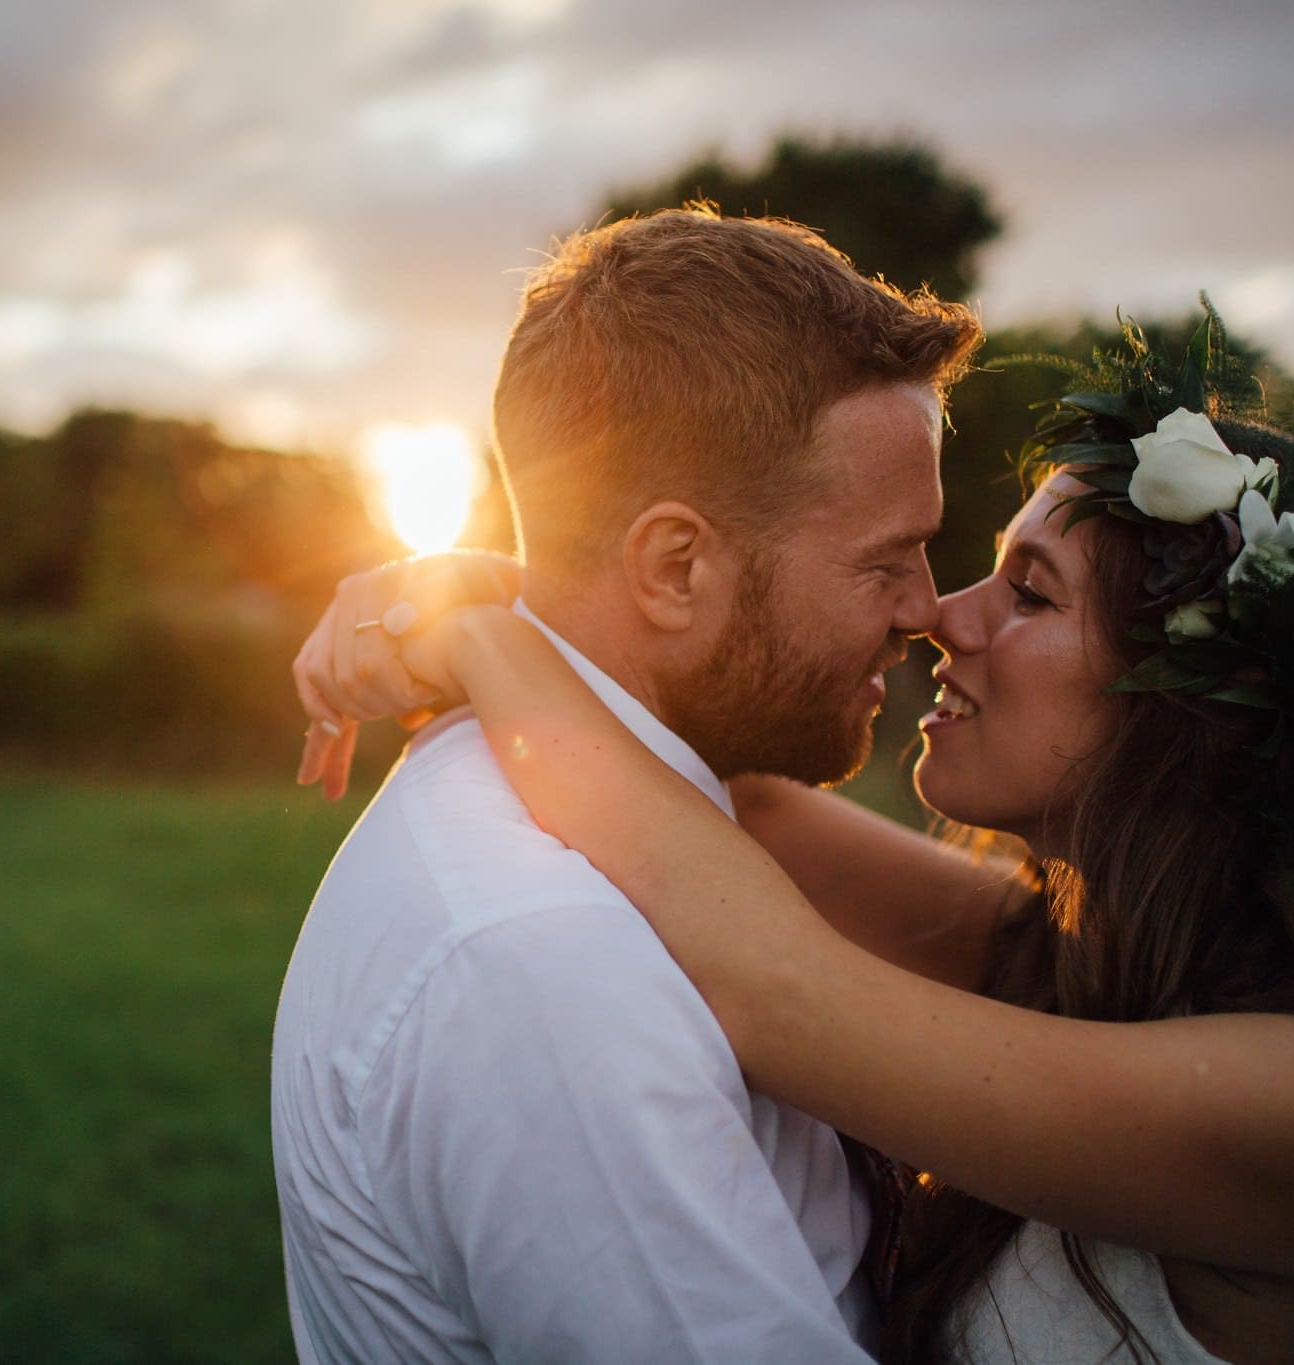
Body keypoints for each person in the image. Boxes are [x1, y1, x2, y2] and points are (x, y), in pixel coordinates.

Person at [294, 315, 1294, 1362]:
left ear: (1184, 711)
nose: (937, 618)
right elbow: (733, 797)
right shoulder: (1065, 955)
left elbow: (774, 984)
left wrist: (481, 637)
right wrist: (537, 582)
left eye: (1025, 594)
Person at [270, 207, 981, 1362]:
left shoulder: (622, 814)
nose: (925, 611)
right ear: (673, 567)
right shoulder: (546, 963)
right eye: (884, 560)